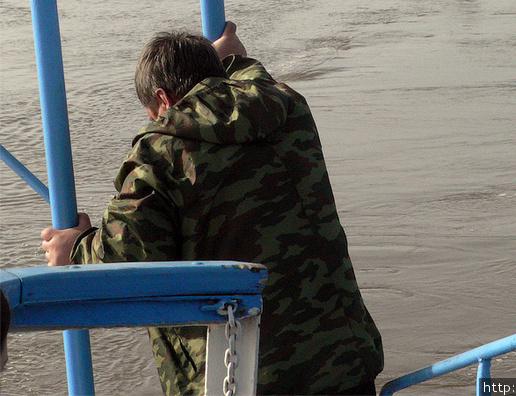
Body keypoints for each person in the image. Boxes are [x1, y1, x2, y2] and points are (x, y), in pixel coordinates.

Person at [40, 22, 384, 396]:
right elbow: (252, 78)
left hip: (244, 379)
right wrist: (232, 58)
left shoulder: (160, 153)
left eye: (152, 111)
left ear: (163, 98)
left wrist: (72, 248)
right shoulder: (287, 109)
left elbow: (124, 256)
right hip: (344, 366)